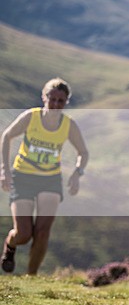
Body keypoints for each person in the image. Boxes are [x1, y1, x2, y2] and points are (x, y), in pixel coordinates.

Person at [1, 78, 89, 275]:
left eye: (61, 101)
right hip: (22, 177)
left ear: (66, 102)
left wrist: (77, 173)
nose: (56, 104)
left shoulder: (68, 125)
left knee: (42, 233)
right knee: (24, 234)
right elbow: (6, 136)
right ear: (44, 97)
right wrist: (5, 170)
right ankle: (10, 244)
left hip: (50, 180)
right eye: (52, 99)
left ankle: (31, 277)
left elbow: (83, 152)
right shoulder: (31, 117)